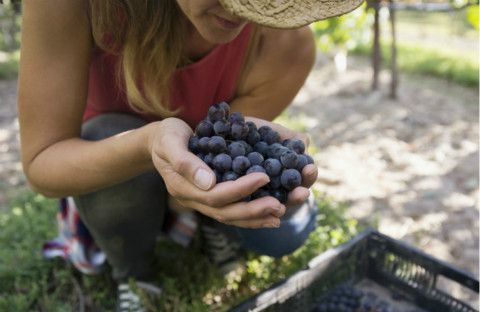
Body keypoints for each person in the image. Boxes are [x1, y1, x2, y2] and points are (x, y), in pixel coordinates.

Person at [17, 0, 363, 310]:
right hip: (118, 170)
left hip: (199, 172)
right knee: (106, 133)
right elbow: (42, 164)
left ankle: (206, 221)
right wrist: (147, 144)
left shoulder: (287, 44)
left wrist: (225, 178)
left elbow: (231, 148)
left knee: (284, 228)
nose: (236, 10)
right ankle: (135, 271)